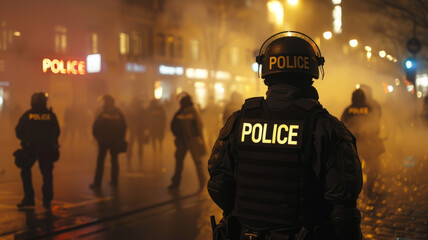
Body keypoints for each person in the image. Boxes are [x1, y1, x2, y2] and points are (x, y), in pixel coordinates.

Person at [208, 31, 363, 240]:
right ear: (312, 73)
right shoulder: (325, 126)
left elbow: (218, 185)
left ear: (266, 73)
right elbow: (343, 207)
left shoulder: (238, 121)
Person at [15, 92, 60, 210]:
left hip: (30, 149)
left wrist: (26, 139)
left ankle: (29, 199)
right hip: (47, 149)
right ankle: (47, 198)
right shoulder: (50, 116)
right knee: (47, 175)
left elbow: (19, 131)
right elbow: (57, 132)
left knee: (25, 171)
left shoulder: (28, 115)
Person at [341, 88, 384, 197]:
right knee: (374, 167)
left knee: (350, 169)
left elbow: (341, 126)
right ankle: (368, 189)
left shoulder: (348, 110)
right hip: (367, 144)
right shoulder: (369, 109)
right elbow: (376, 127)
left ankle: (351, 190)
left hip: (351, 144)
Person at [168, 92, 206, 191]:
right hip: (189, 141)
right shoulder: (191, 111)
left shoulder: (181, 112)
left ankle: (176, 182)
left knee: (181, 162)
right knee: (196, 162)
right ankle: (202, 181)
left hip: (186, 141)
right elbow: (199, 125)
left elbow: (173, 125)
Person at [90, 94, 127, 190]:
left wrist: (98, 138)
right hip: (114, 141)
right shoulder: (118, 113)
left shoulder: (103, 112)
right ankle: (114, 181)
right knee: (114, 161)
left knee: (100, 162)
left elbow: (95, 126)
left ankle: (97, 183)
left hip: (104, 141)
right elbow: (123, 127)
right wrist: (120, 139)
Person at [126, 97, 147, 171]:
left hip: (134, 129)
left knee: (132, 143)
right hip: (139, 129)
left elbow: (127, 118)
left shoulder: (130, 109)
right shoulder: (141, 109)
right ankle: (139, 158)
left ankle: (129, 157)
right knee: (139, 144)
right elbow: (145, 119)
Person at [146, 99, 167, 171]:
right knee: (157, 139)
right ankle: (158, 151)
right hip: (157, 127)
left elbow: (164, 118)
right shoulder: (159, 108)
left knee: (155, 139)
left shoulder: (150, 109)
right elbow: (164, 118)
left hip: (155, 127)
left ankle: (156, 151)